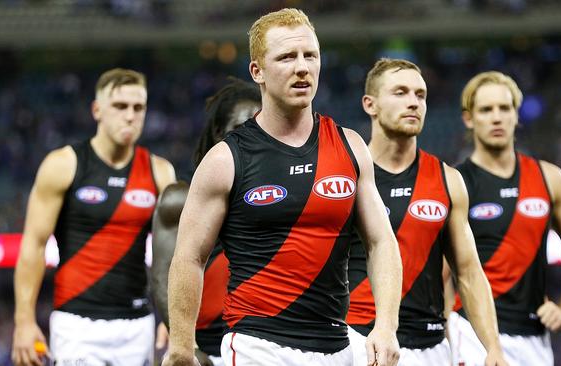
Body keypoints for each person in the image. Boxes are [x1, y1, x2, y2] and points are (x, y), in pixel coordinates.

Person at [164, 8, 402, 366]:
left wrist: (386, 325)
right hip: (258, 347)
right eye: (287, 57)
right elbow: (189, 257)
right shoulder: (225, 159)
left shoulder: (351, 147)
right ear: (257, 71)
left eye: (310, 55)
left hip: (338, 346)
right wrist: (181, 347)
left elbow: (381, 241)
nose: (302, 67)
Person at [345, 58, 507, 366]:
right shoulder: (345, 176)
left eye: (420, 95)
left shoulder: (448, 180)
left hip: (429, 347)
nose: (413, 103)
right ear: (370, 104)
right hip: (358, 342)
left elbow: (469, 272)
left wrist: (493, 347)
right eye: (400, 92)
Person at [12, 68, 176, 366]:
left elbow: (172, 253)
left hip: (137, 325)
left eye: (138, 108)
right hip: (76, 324)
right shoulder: (63, 165)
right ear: (97, 110)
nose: (130, 116)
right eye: (120, 106)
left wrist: (172, 315)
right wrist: (24, 321)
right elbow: (33, 246)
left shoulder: (160, 172)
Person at [447, 71, 561, 365]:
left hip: (534, 338)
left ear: (517, 115)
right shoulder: (454, 182)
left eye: (505, 108)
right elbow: (439, 273)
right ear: (469, 119)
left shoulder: (549, 179)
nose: (497, 117)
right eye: (486, 110)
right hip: (472, 336)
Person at [151, 78, 262, 366]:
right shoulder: (180, 200)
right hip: (206, 352)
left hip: (262, 349)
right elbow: (163, 276)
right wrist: (187, 346)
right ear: (217, 133)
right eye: (239, 129)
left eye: (259, 128)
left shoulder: (284, 198)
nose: (250, 138)